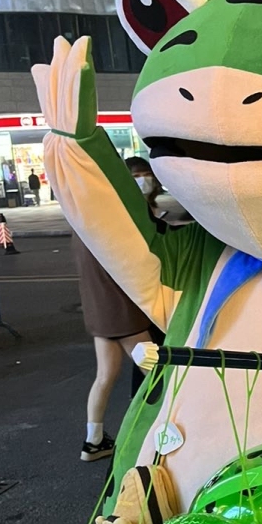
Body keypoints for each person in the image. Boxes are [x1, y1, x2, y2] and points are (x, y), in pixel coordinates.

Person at [72, 156, 163, 461]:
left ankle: (94, 440)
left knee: (106, 375)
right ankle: (150, 436)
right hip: (122, 309)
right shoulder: (115, 216)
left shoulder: (83, 213)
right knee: (157, 373)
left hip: (99, 310)